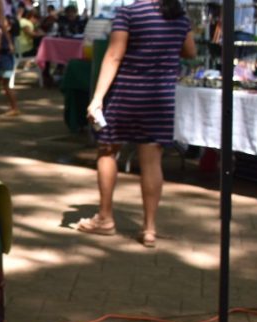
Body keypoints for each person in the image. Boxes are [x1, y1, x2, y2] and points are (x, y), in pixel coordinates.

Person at [75, 0, 195, 248]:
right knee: (152, 160)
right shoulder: (179, 15)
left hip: (126, 93)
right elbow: (190, 51)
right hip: (160, 98)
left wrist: (97, 98)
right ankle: (149, 228)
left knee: (107, 150)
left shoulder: (129, 12)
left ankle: (105, 218)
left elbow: (114, 55)